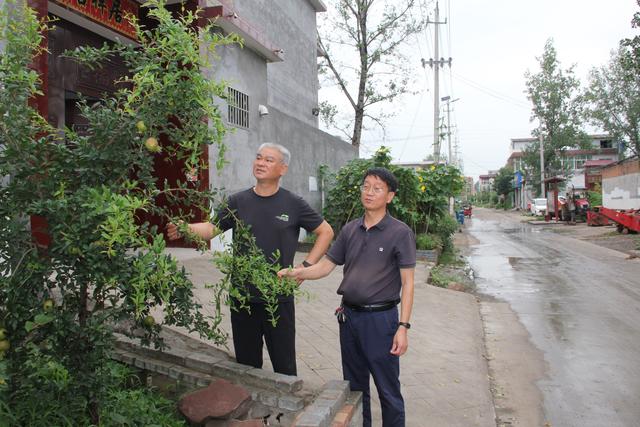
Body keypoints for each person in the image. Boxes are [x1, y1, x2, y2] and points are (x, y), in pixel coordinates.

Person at [167, 142, 334, 376]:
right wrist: (186, 228)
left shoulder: (293, 203)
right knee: (246, 367)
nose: (261, 163)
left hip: (278, 295)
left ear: (282, 169)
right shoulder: (238, 202)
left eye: (268, 160)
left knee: (284, 366)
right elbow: (212, 228)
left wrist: (304, 268)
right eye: (258, 157)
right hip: (242, 296)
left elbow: (326, 232)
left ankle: (285, 410)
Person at [278, 167, 415, 426]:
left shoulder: (400, 232)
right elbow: (328, 265)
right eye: (366, 186)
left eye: (377, 188)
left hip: (381, 321)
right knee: (354, 388)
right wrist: (298, 272)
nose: (369, 192)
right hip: (349, 318)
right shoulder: (350, 230)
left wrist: (403, 327)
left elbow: (408, 283)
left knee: (388, 389)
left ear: (390, 196)